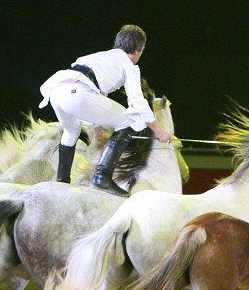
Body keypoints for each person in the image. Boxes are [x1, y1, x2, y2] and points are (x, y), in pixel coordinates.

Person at [38, 24, 172, 196]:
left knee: (71, 131)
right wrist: (159, 131)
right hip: (78, 94)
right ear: (139, 49)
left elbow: (98, 99)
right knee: (129, 121)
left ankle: (62, 180)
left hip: (57, 91)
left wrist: (98, 132)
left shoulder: (101, 57)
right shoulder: (129, 66)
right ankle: (103, 176)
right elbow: (137, 102)